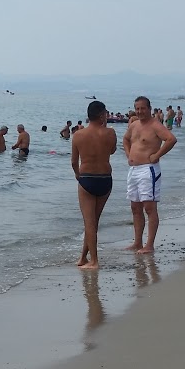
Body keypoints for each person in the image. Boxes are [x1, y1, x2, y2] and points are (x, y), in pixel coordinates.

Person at [121, 95, 176, 254]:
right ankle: (137, 242)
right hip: (133, 170)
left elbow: (171, 139)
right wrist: (128, 154)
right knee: (135, 207)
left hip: (148, 170)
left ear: (149, 108)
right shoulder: (134, 125)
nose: (140, 111)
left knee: (149, 207)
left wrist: (157, 155)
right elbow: (125, 139)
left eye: (143, 108)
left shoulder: (155, 125)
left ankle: (149, 244)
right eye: (137, 108)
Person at [71, 100, 119, 269]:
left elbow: (73, 162)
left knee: (89, 223)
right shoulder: (111, 133)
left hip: (87, 178)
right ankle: (83, 257)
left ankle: (94, 261)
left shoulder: (78, 135)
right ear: (101, 115)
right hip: (105, 179)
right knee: (93, 222)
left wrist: (78, 176)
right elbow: (112, 150)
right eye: (105, 114)